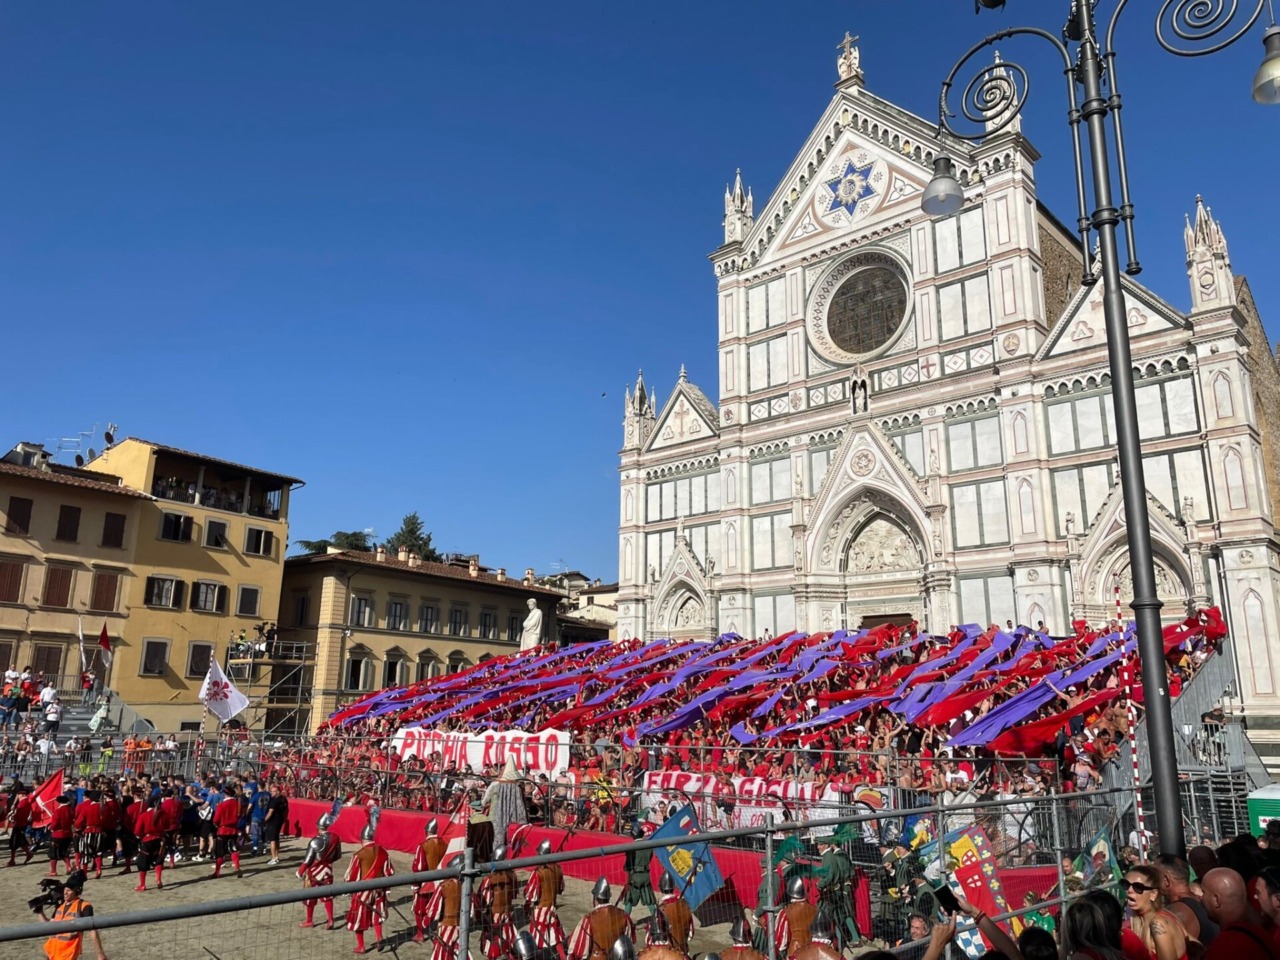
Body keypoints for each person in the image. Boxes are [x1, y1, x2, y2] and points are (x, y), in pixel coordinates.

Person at [1201, 868, 1279, 960]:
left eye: (1203, 893)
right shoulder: (1264, 932)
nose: (1201, 898)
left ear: (1216, 900)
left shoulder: (1226, 946)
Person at [345, 819, 394, 955]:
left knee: (359, 918)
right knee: (377, 914)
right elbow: (389, 872)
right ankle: (378, 937)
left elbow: (350, 876)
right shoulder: (383, 852)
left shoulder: (359, 855)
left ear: (362, 839)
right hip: (379, 889)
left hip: (363, 892)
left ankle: (361, 946)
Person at [1126, 864, 1190, 960]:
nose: (1129, 890)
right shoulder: (1142, 920)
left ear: (1153, 894)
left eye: (1138, 887)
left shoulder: (1158, 923)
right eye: (1126, 885)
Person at [39, 869, 107, 960]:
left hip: (68, 955)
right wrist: (40, 912)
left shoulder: (84, 906)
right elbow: (49, 925)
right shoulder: (60, 906)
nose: (65, 893)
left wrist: (100, 954)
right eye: (65, 889)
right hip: (51, 954)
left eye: (69, 890)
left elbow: (92, 931)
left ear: (77, 892)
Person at [1156, 854, 1220, 946]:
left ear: (1166, 880)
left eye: (1153, 875)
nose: (1151, 881)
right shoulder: (1202, 901)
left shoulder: (1175, 913)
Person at [568, 877, 635, 960]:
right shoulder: (624, 916)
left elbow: (577, 951)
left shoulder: (589, 919)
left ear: (595, 899)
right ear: (608, 898)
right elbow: (629, 943)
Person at [297, 810, 342, 929]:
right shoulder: (335, 838)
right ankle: (330, 920)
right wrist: (327, 863)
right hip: (328, 870)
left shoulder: (315, 841)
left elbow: (307, 860)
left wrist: (300, 872)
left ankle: (309, 920)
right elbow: (338, 856)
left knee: (309, 896)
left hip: (314, 872)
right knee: (327, 895)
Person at [815, 837, 860, 949]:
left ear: (829, 845)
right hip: (839, 889)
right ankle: (845, 942)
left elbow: (831, 875)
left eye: (820, 844)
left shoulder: (831, 857)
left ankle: (841, 944)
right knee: (841, 916)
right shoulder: (838, 855)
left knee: (837, 918)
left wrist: (820, 884)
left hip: (835, 891)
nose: (818, 847)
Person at [525, 839, 567, 955]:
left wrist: (526, 907)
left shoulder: (538, 872)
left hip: (541, 908)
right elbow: (560, 889)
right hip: (552, 907)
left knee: (537, 938)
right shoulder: (558, 869)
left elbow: (531, 894)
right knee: (556, 937)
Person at [478, 844, 518, 960]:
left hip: (494, 916)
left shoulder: (490, 879)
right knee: (508, 944)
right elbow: (514, 895)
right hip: (507, 914)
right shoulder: (512, 875)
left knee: (493, 947)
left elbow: (482, 900)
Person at [482, 756, 526, 854]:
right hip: (514, 816)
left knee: (496, 835)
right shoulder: (517, 787)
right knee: (512, 835)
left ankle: (495, 853)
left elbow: (484, 801)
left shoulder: (495, 785)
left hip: (496, 815)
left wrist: (485, 804)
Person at [411, 820, 447, 943]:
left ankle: (420, 934)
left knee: (419, 909)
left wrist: (415, 884)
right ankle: (432, 929)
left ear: (426, 831)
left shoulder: (423, 846)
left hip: (426, 883)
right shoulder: (445, 844)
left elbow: (419, 867)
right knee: (435, 907)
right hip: (440, 882)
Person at [424, 872, 464, 960]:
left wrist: (425, 922)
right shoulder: (465, 885)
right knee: (460, 951)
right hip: (461, 926)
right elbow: (474, 907)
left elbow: (433, 909)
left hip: (445, 926)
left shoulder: (444, 886)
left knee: (443, 954)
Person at [775, 876, 816, 959]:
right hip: (812, 952)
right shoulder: (815, 910)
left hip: (794, 953)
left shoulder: (786, 912)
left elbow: (780, 939)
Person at [621, 824, 657, 916]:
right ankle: (657, 918)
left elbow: (628, 865)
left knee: (629, 899)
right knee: (649, 899)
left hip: (635, 875)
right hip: (645, 874)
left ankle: (626, 919)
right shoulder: (649, 846)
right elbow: (650, 858)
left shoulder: (631, 847)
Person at [656, 872, 694, 955]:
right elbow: (691, 934)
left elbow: (659, 938)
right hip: (684, 951)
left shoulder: (661, 909)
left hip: (670, 953)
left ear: (661, 889)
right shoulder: (685, 905)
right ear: (673, 887)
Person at [132, 797, 165, 891]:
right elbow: (167, 826)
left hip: (147, 840)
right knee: (158, 859)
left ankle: (142, 885)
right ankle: (158, 879)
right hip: (159, 839)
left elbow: (137, 831)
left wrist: (140, 836)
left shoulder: (144, 815)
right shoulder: (163, 814)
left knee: (142, 862)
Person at [211, 790, 242, 878]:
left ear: (225, 795)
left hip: (223, 830)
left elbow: (216, 820)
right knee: (234, 849)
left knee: (219, 852)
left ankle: (217, 872)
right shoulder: (238, 804)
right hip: (233, 830)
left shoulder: (221, 805)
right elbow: (240, 815)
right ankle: (237, 867)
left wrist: (217, 824)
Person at [47, 795, 75, 876]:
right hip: (68, 833)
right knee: (65, 851)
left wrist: (50, 828)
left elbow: (55, 823)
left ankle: (53, 871)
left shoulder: (58, 811)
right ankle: (68, 866)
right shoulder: (70, 810)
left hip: (58, 834)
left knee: (54, 853)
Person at [262, 782, 288, 864]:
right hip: (279, 820)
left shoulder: (274, 800)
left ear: (278, 792)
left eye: (273, 791)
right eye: (271, 791)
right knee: (276, 838)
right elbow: (287, 810)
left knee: (272, 840)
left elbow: (270, 812)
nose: (271, 793)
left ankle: (273, 858)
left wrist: (264, 820)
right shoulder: (284, 799)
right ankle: (276, 856)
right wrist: (284, 819)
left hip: (273, 821)